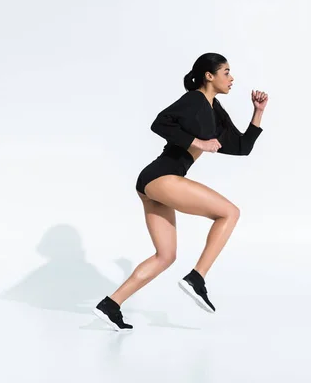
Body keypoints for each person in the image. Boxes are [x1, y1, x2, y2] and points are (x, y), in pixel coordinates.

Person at [93, 53, 268, 331]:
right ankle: (197, 277)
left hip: (154, 183)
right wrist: (198, 141)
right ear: (209, 76)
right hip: (162, 176)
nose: (231, 78)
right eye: (226, 72)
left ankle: (111, 304)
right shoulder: (194, 100)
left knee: (165, 256)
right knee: (230, 213)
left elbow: (243, 147)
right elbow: (159, 123)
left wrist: (258, 112)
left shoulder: (215, 111)